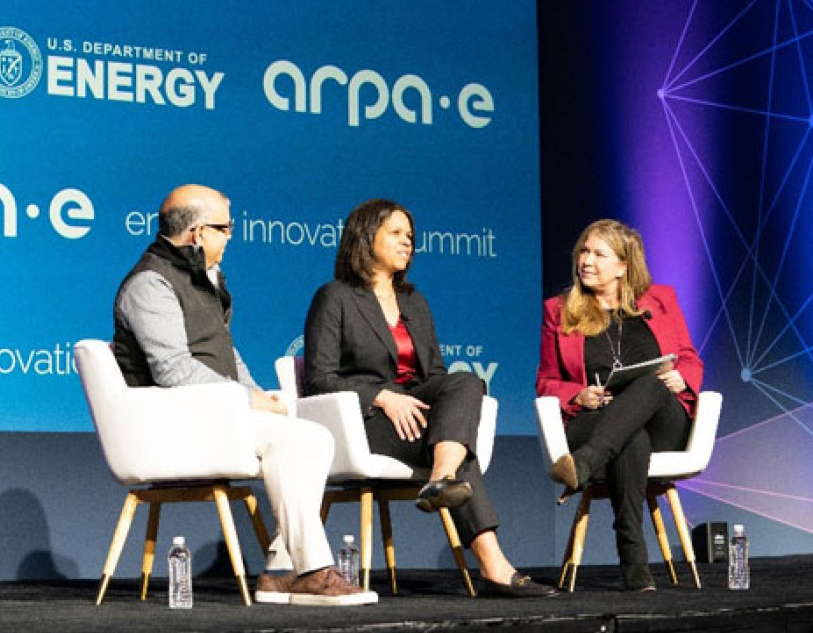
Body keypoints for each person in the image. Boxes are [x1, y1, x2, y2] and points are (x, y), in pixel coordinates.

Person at [113, 184, 377, 606]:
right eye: (225, 227)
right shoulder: (150, 284)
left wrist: (257, 395)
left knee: (310, 434)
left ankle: (277, 570)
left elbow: (225, 354)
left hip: (214, 413)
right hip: (170, 424)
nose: (232, 235)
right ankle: (310, 569)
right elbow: (173, 370)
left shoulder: (203, 279)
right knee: (299, 438)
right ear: (197, 233)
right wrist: (245, 400)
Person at [303, 198, 556, 598]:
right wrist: (382, 397)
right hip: (363, 423)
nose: (408, 243)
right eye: (397, 234)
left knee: (466, 382)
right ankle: (492, 562)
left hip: (416, 416)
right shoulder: (335, 297)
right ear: (366, 237)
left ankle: (442, 478)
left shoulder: (414, 303)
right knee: (460, 451)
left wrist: (425, 406)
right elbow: (318, 379)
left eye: (411, 236)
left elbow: (435, 376)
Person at [536, 219, 703, 592]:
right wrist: (578, 395)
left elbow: (690, 358)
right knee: (631, 436)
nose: (586, 260)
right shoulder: (559, 310)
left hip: (662, 418)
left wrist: (682, 378)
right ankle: (634, 561)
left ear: (624, 266)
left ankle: (585, 463)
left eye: (598, 254)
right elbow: (546, 381)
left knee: (650, 381)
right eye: (583, 251)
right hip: (596, 416)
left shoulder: (661, 301)